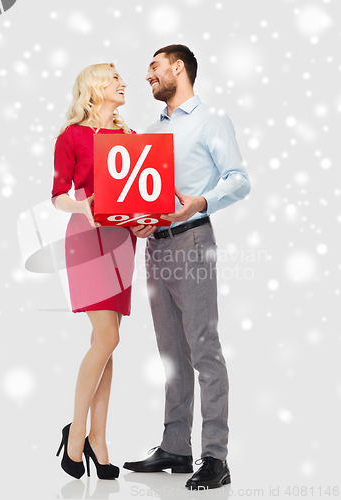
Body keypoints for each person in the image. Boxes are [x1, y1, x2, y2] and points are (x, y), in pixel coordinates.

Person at [123, 45, 251, 490]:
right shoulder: (147, 133)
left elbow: (239, 179)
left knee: (204, 349)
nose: (148, 76)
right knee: (171, 353)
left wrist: (202, 201)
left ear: (179, 68)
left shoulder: (211, 120)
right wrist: (138, 221)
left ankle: (216, 457)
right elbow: (143, 191)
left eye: (154, 67)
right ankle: (177, 446)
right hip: (155, 248)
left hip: (194, 241)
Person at [51, 63, 137, 480]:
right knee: (108, 337)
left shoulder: (130, 138)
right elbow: (57, 196)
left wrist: (142, 219)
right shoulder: (71, 137)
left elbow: (140, 192)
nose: (123, 84)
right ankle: (78, 434)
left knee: (107, 343)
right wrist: (82, 205)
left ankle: (99, 439)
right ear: (94, 88)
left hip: (122, 240)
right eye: (115, 78)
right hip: (86, 238)